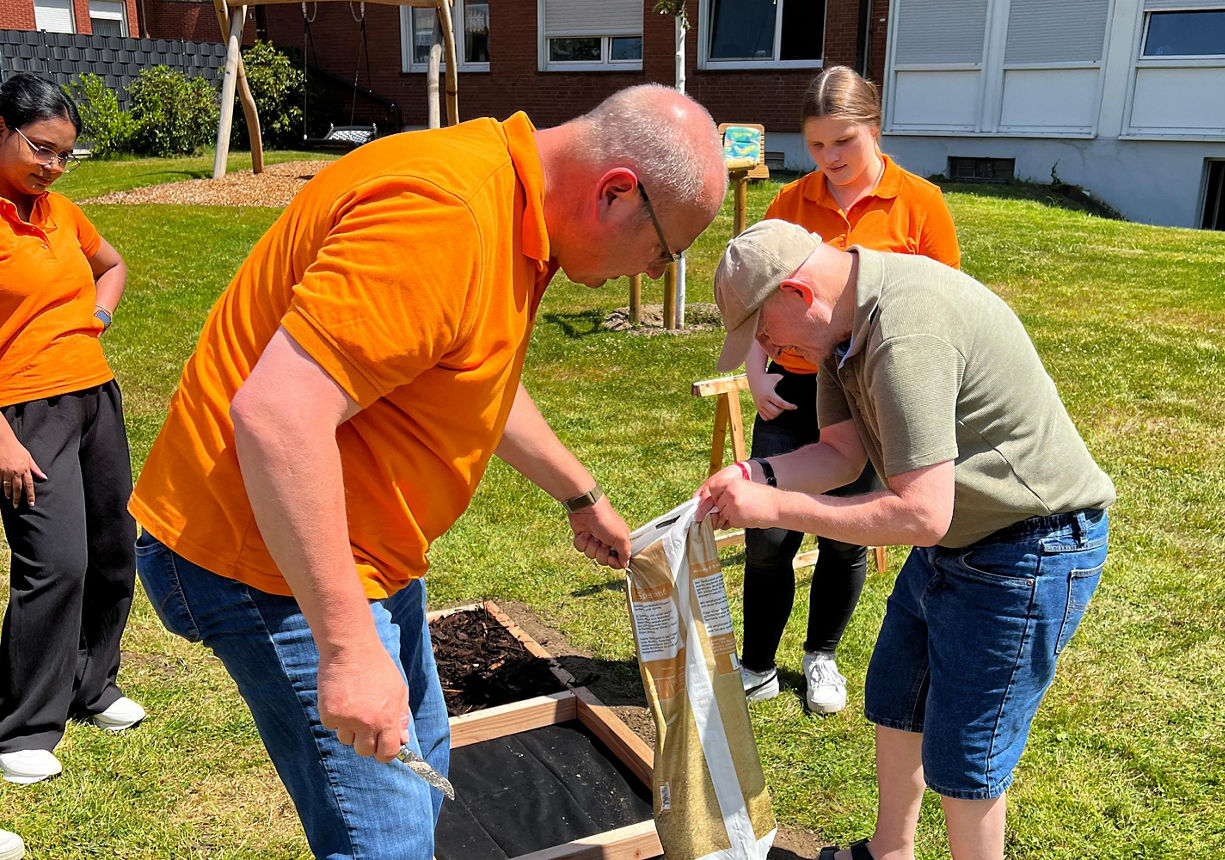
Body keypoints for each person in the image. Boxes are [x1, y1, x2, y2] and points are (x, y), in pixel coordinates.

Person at [130, 84, 727, 860]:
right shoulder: (446, 216)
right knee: (387, 835)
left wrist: (580, 492)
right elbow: (277, 417)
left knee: (424, 761)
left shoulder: (509, 204)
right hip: (264, 561)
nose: (650, 270)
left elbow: (467, 371)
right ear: (616, 192)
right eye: (663, 252)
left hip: (363, 546)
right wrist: (346, 648)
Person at [698, 220, 1114, 860]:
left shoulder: (902, 331)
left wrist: (778, 506)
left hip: (1028, 546)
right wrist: (759, 472)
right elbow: (840, 454)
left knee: (966, 754)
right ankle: (888, 853)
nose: (765, 345)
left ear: (800, 293)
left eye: (763, 327)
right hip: (961, 541)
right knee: (896, 696)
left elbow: (922, 515)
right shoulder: (842, 329)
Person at [739, 66, 960, 715]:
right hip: (791, 387)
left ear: (875, 129)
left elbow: (942, 306)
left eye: (844, 142)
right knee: (767, 533)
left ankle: (821, 656)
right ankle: (756, 663)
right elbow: (763, 293)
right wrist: (756, 363)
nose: (830, 159)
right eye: (817, 146)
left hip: (866, 398)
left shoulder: (921, 203)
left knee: (846, 534)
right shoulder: (791, 202)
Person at [0, 73, 144, 787]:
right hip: (22, 412)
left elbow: (111, 266)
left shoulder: (60, 212)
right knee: (56, 564)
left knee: (116, 549)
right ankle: (25, 724)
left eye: (64, 155)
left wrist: (99, 316)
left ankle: (94, 687)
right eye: (40, 148)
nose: (52, 166)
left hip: (94, 398)